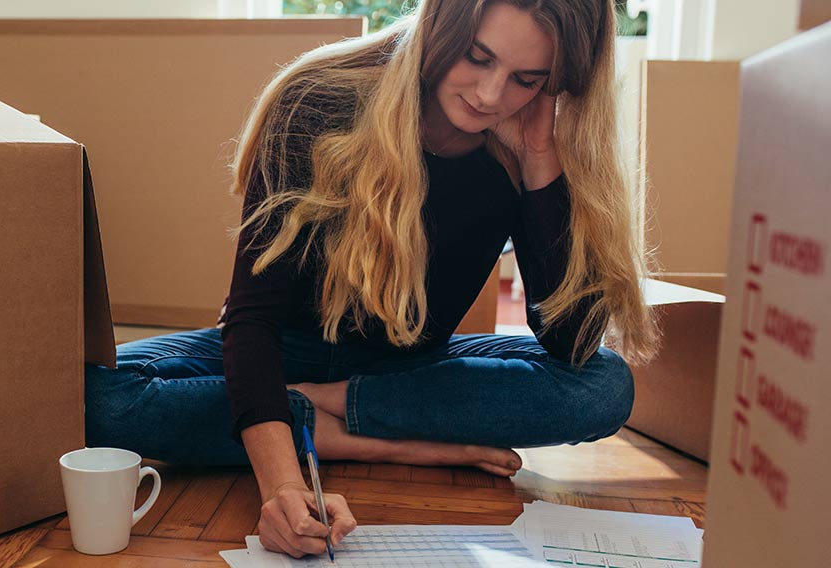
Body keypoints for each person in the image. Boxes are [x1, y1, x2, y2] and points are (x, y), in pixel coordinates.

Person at [85, 0, 658, 559]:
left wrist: (538, 162)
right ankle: (371, 437)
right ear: (441, 23)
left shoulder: (527, 142)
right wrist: (284, 487)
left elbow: (573, 346)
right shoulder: (320, 98)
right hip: (286, 351)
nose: (490, 96)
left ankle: (320, 408)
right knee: (90, 400)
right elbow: (252, 317)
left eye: (526, 80)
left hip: (414, 370)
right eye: (477, 58)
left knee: (604, 385)